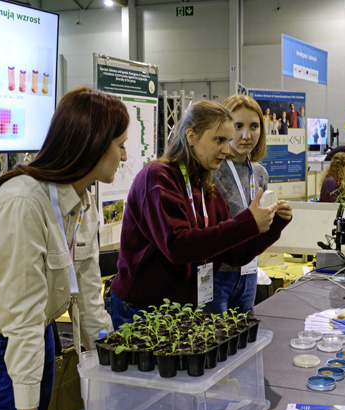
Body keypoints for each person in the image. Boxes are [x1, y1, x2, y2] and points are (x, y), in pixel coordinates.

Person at [0, 87, 123, 410]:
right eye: (119, 144)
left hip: (37, 339)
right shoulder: (23, 202)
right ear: (93, 144)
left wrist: (112, 366)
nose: (124, 155)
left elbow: (91, 296)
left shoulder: (83, 198)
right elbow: (22, 318)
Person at [109, 100, 292, 327]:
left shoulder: (206, 188)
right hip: (143, 310)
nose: (226, 149)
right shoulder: (158, 178)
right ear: (191, 136)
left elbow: (234, 255)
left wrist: (272, 226)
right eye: (219, 140)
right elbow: (177, 246)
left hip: (182, 309)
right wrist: (246, 223)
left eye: (227, 141)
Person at [211, 94, 286, 314]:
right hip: (217, 275)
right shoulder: (212, 171)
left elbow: (259, 228)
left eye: (254, 126)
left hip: (249, 272)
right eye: (238, 126)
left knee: (244, 339)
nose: (246, 135)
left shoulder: (260, 173)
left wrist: (278, 218)